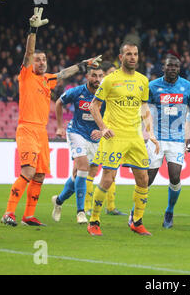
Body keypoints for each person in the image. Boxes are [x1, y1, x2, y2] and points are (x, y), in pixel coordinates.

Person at [1, 7, 102, 227]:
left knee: (39, 176)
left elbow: (65, 72)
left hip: (41, 132)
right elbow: (28, 53)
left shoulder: (47, 79)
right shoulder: (26, 75)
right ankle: (9, 212)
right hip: (27, 128)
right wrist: (32, 30)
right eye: (38, 60)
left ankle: (28, 216)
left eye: (44, 59)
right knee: (27, 171)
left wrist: (85, 63)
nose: (41, 62)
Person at [87, 41, 159, 236]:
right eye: (128, 54)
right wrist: (104, 128)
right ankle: (94, 221)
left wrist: (150, 133)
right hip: (115, 136)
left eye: (135, 54)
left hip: (135, 137)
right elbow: (93, 106)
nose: (133, 57)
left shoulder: (143, 80)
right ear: (121, 57)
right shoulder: (110, 80)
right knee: (108, 179)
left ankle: (137, 221)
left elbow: (144, 108)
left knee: (143, 178)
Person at [146, 54, 190, 229]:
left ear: (179, 68)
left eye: (176, 66)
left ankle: (169, 211)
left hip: (176, 139)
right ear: (163, 67)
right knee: (147, 178)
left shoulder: (189, 87)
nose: (172, 68)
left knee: (175, 176)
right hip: (156, 139)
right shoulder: (152, 86)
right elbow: (144, 110)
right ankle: (135, 212)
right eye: (169, 66)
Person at [51, 66, 105, 224]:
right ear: (88, 76)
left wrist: (102, 131)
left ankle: (59, 201)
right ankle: (80, 212)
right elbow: (59, 103)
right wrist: (60, 126)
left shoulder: (106, 95)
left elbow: (110, 118)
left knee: (76, 176)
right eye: (94, 75)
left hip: (94, 138)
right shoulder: (77, 91)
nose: (97, 79)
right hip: (76, 132)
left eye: (100, 76)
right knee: (83, 167)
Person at [85, 61, 127, 217]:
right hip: (96, 133)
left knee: (112, 171)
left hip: (111, 134)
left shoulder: (117, 92)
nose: (113, 75)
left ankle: (111, 207)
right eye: (109, 73)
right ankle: (87, 206)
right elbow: (92, 110)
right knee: (93, 168)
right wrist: (99, 128)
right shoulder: (99, 91)